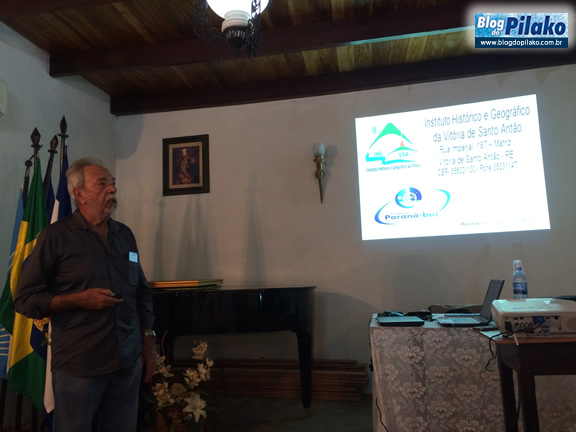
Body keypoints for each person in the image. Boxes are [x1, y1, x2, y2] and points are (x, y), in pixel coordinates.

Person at [14, 157, 156, 432]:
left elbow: (141, 293)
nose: (112, 189)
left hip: (126, 363)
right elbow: (25, 299)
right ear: (79, 194)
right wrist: (78, 300)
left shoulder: (125, 235)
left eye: (112, 183)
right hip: (80, 367)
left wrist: (148, 343)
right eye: (102, 184)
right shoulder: (55, 237)